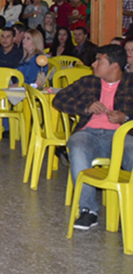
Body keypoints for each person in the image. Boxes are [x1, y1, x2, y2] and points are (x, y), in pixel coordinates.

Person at [53, 44, 133, 230]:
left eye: (99, 61)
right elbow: (60, 99)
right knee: (78, 148)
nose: (93, 64)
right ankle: (88, 210)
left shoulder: (131, 83)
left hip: (123, 135)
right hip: (89, 134)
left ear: (114, 66)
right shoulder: (88, 82)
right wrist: (86, 107)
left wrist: (125, 117)